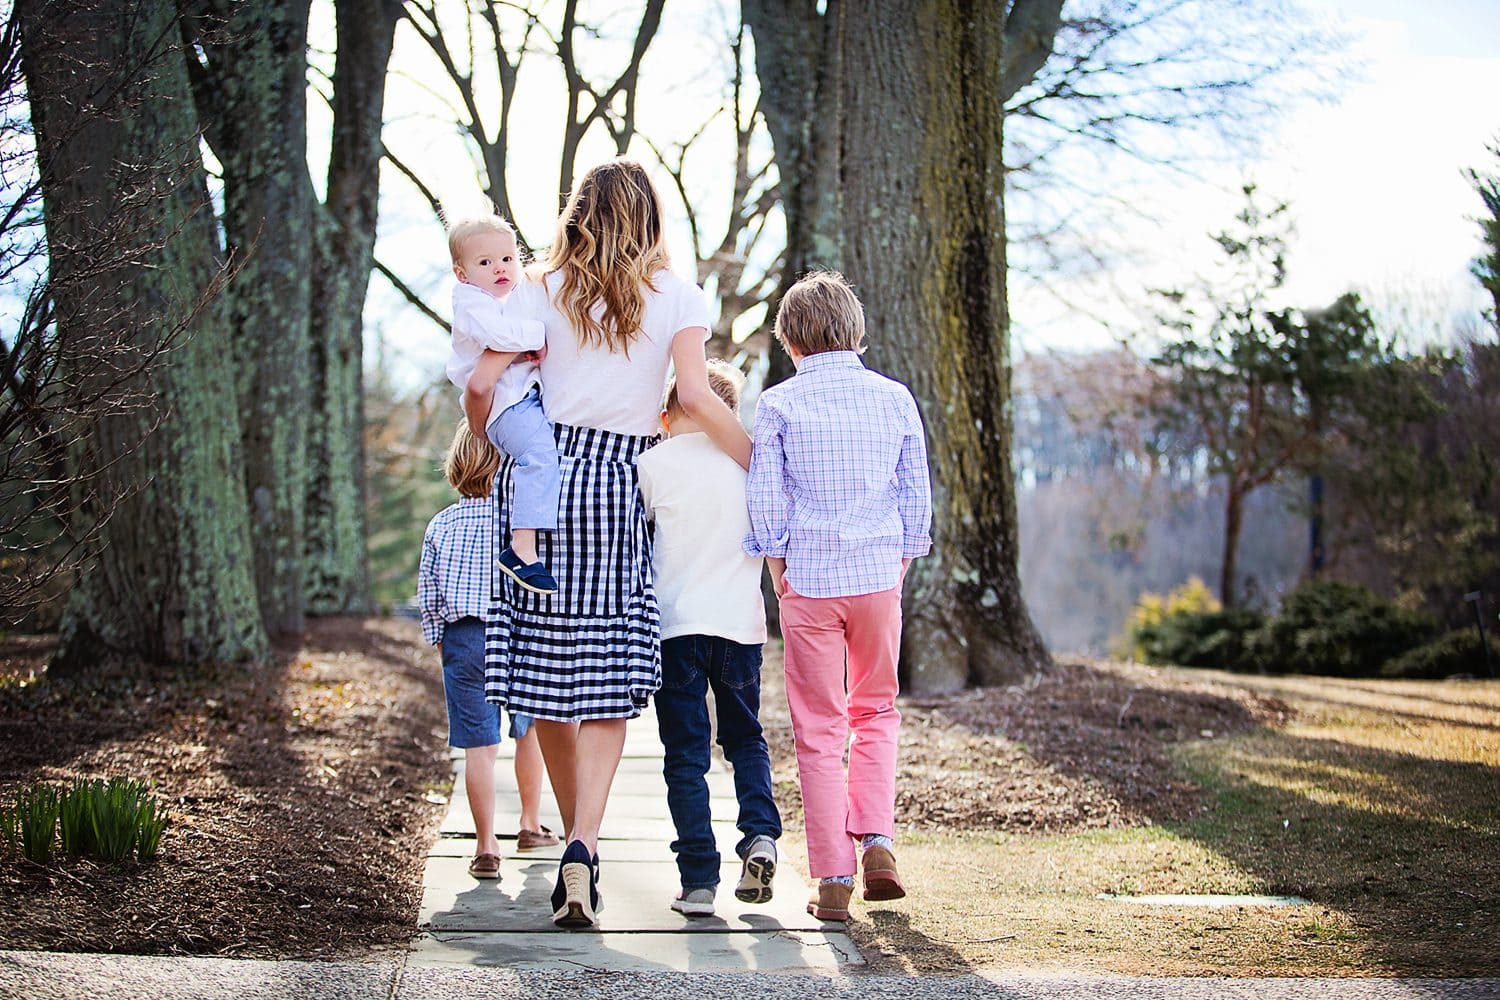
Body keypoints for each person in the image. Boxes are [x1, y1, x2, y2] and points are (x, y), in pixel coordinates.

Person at [475, 159, 751, 929]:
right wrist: (761, 465)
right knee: (601, 672)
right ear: (651, 218)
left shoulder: (538, 286)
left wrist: (483, 439)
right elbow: (695, 397)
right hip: (616, 481)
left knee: (544, 671)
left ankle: (571, 841)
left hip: (540, 475)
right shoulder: (679, 295)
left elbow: (483, 380)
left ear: (580, 212)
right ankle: (586, 845)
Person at [744, 270, 933, 923]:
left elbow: (766, 497)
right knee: (875, 711)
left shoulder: (778, 404)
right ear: (855, 331)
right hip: (878, 575)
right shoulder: (894, 398)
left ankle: (832, 877)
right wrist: (900, 560)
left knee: (819, 729)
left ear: (791, 341)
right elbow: (915, 492)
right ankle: (878, 839)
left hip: (810, 581)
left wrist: (776, 566)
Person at [637, 360, 781, 918]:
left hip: (676, 629)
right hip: (739, 627)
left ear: (670, 413)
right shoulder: (750, 466)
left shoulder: (652, 463)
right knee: (745, 738)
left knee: (685, 755)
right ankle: (760, 835)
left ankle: (698, 880)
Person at [418, 421, 560, 883]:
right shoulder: (518, 524)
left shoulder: (442, 524)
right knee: (530, 730)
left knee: (479, 746)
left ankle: (484, 845)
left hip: (464, 637)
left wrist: (443, 639)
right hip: (517, 632)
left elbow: (430, 594)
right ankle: (529, 824)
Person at [446, 211, 559, 595]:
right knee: (539, 455)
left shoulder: (508, 298)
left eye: (508, 259)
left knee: (541, 453)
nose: (500, 269)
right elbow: (497, 337)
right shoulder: (471, 303)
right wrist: (537, 335)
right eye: (485, 262)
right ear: (462, 273)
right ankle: (521, 548)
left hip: (514, 399)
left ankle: (526, 543)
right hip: (502, 406)